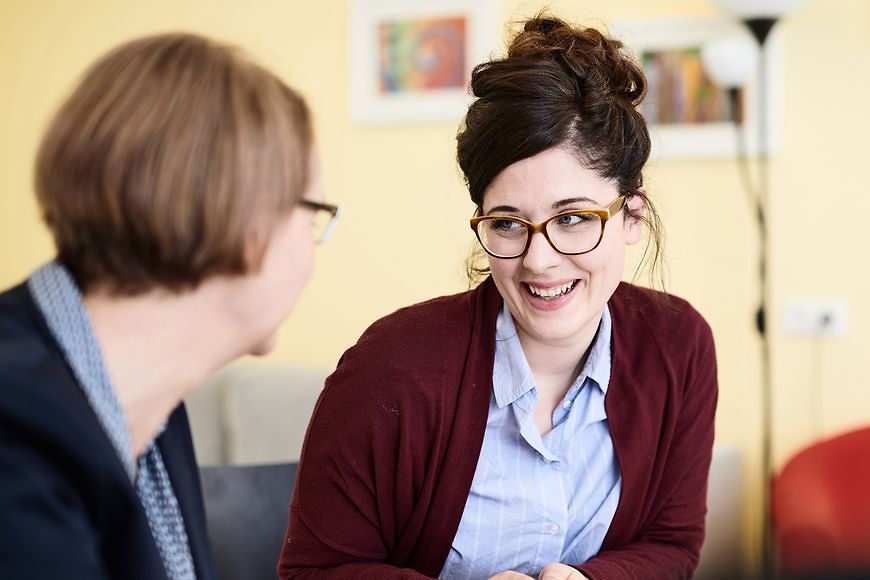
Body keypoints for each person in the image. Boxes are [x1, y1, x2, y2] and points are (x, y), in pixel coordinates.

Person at [278, 13, 716, 580]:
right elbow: (315, 571)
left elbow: (672, 543)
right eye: (508, 224)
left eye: (574, 218)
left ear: (632, 214)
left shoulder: (679, 346)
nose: (539, 260)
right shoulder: (390, 367)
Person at [0, 32, 340, 580]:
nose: (313, 242)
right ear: (246, 220)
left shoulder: (155, 416)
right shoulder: (16, 439)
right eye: (313, 212)